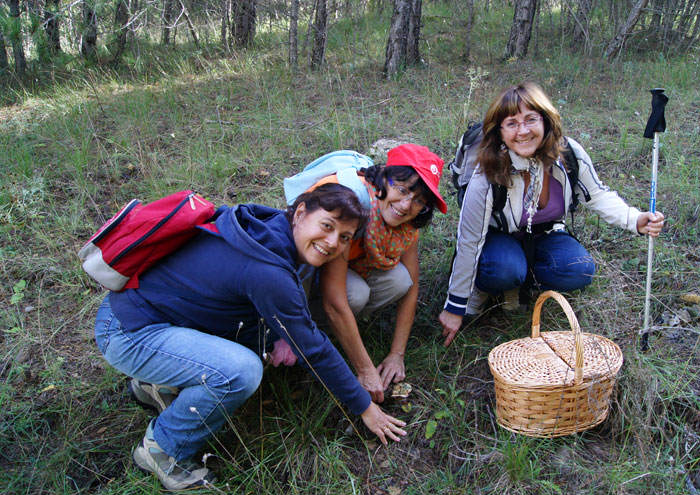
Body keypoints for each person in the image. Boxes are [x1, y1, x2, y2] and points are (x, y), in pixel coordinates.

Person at [93, 183, 407, 491]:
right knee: (240, 372)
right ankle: (164, 450)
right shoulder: (267, 271)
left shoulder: (267, 226)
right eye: (327, 226)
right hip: (128, 332)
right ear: (299, 213)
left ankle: (158, 385)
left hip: (142, 312)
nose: (332, 242)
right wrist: (365, 407)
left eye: (344, 238)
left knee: (252, 348)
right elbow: (313, 347)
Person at [439, 82, 665, 347]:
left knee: (579, 270)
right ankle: (496, 282)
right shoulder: (486, 172)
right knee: (503, 269)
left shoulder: (568, 154)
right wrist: (456, 305)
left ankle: (520, 282)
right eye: (511, 123)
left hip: (545, 233)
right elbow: (469, 240)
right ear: (499, 131)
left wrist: (635, 220)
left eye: (530, 119)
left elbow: (598, 194)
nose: (522, 131)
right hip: (497, 236)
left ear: (546, 120)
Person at [319, 144, 447, 403]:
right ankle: (310, 334)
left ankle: (346, 328)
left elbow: (411, 286)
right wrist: (365, 369)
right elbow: (335, 297)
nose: (406, 205)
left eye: (419, 200)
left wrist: (396, 354)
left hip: (345, 267)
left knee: (400, 279)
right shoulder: (351, 203)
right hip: (304, 275)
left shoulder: (407, 226)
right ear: (384, 178)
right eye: (402, 190)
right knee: (354, 294)